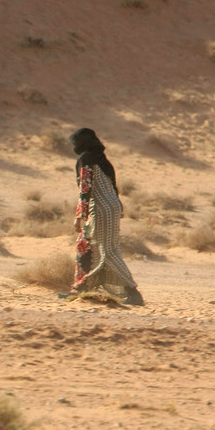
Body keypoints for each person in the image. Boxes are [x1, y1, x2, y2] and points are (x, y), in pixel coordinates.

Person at [66, 127, 144, 305]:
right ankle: (82, 288)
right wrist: (118, 207)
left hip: (100, 207)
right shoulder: (103, 160)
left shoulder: (85, 158)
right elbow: (114, 187)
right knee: (85, 244)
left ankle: (132, 292)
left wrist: (80, 215)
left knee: (107, 251)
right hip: (110, 207)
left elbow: (85, 187)